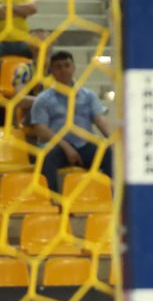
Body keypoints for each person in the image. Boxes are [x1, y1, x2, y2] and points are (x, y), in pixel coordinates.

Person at [29, 51, 114, 194]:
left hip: (84, 145)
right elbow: (40, 130)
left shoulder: (88, 96)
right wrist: (66, 146)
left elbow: (99, 119)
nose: (63, 70)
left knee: (110, 153)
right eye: (58, 67)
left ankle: (109, 195)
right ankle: (53, 200)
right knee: (46, 157)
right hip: (57, 146)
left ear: (73, 67)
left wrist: (113, 140)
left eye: (66, 65)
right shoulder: (43, 99)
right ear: (51, 71)